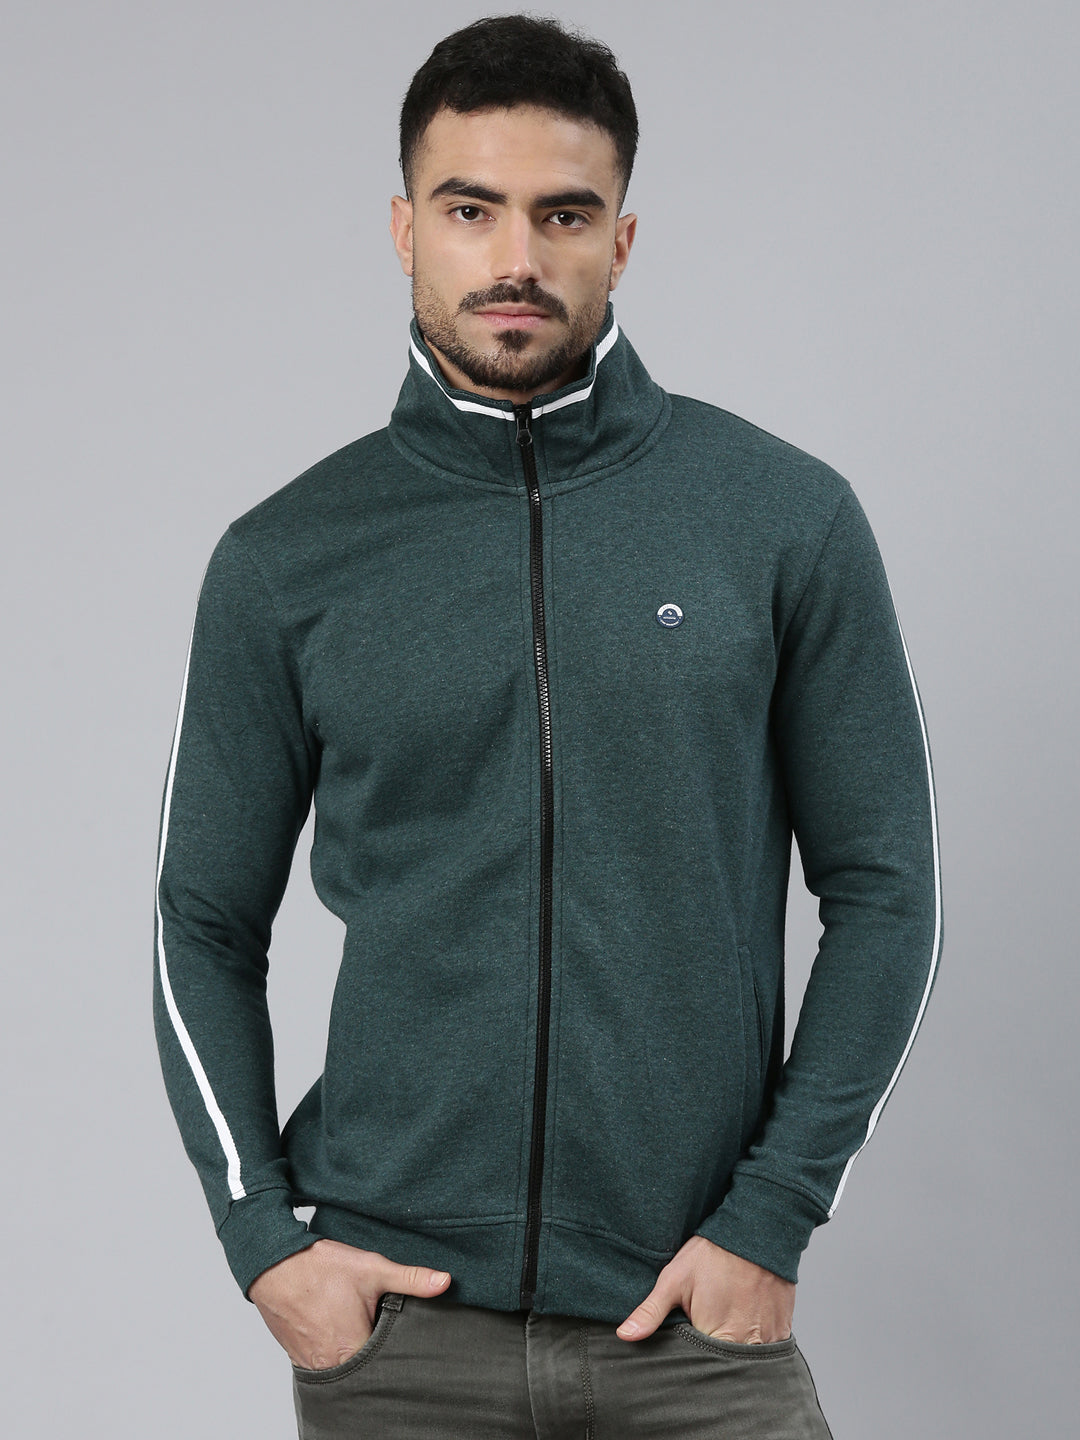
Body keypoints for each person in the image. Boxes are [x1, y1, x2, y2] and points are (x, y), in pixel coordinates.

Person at [154, 15, 942, 1438]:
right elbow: (198, 922)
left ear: (621, 242)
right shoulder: (287, 559)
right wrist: (261, 1238)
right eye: (471, 210)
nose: (514, 257)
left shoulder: (781, 519)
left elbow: (890, 890)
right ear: (406, 228)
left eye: (563, 214)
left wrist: (775, 1210)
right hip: (403, 1348)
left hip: (694, 1326)